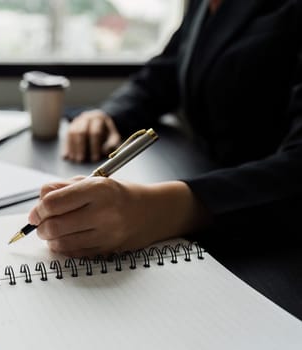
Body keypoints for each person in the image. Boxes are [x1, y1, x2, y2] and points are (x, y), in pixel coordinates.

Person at [28, 0, 302, 257]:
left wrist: (164, 210)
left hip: (274, 235)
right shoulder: (205, 4)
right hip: (209, 182)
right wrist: (108, 115)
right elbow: (164, 74)